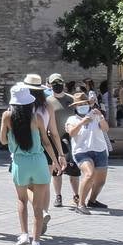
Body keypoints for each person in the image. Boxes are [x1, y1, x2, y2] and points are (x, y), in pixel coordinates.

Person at [0, 85, 59, 245]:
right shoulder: (38, 117)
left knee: (22, 200)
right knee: (38, 205)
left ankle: (24, 234)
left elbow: (3, 141)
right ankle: (37, 242)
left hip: (20, 162)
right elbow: (46, 142)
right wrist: (55, 160)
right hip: (38, 161)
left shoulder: (7, 117)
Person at [66, 92, 111, 214]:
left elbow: (106, 129)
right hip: (82, 151)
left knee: (100, 181)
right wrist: (82, 123)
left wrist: (101, 117)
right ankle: (81, 204)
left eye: (85, 103)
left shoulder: (95, 115)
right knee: (89, 174)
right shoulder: (72, 119)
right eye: (79, 104)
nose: (83, 106)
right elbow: (71, 133)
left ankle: (92, 200)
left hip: (99, 149)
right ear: (75, 107)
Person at [45, 74, 77, 208]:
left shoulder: (71, 99)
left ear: (64, 83)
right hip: (53, 138)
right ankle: (58, 196)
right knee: (56, 169)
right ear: (49, 85)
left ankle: (77, 195)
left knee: (73, 169)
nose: (57, 85)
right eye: (54, 83)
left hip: (70, 138)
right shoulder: (47, 101)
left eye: (59, 83)